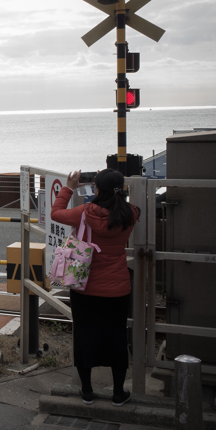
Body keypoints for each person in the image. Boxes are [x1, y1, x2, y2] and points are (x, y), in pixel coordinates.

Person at [51, 168, 140, 407]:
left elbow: (56, 213)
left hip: (84, 287)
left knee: (84, 336)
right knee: (117, 337)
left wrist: (69, 187)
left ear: (97, 189)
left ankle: (87, 391)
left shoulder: (85, 212)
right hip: (118, 289)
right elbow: (124, 208)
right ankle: (119, 393)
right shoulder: (130, 214)